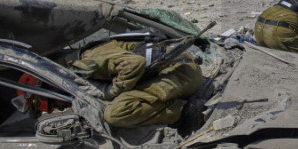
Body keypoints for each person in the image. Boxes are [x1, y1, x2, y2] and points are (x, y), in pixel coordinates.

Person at [65, 39, 202, 128]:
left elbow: (135, 63)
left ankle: (184, 111)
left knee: (115, 113)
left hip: (182, 74)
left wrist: (113, 91)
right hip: (180, 73)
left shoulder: (88, 60)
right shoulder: (89, 57)